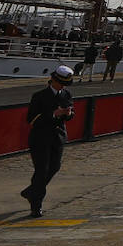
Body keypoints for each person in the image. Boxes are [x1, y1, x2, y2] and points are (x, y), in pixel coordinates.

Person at [21, 65, 75, 217]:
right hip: (40, 138)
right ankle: (36, 205)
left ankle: (31, 191)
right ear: (53, 80)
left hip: (57, 137)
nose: (63, 86)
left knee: (54, 167)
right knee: (41, 171)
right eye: (61, 83)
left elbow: (71, 113)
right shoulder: (39, 96)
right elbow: (31, 119)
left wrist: (68, 114)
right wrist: (53, 114)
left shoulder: (66, 94)